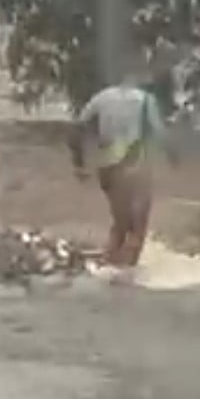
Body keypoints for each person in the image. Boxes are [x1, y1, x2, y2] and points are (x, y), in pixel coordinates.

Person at [71, 68, 175, 279]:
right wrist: (174, 157)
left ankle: (109, 271)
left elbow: (77, 129)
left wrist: (79, 163)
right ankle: (127, 278)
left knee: (120, 224)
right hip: (134, 164)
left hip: (107, 165)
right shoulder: (145, 99)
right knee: (138, 226)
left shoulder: (101, 97)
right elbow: (161, 133)